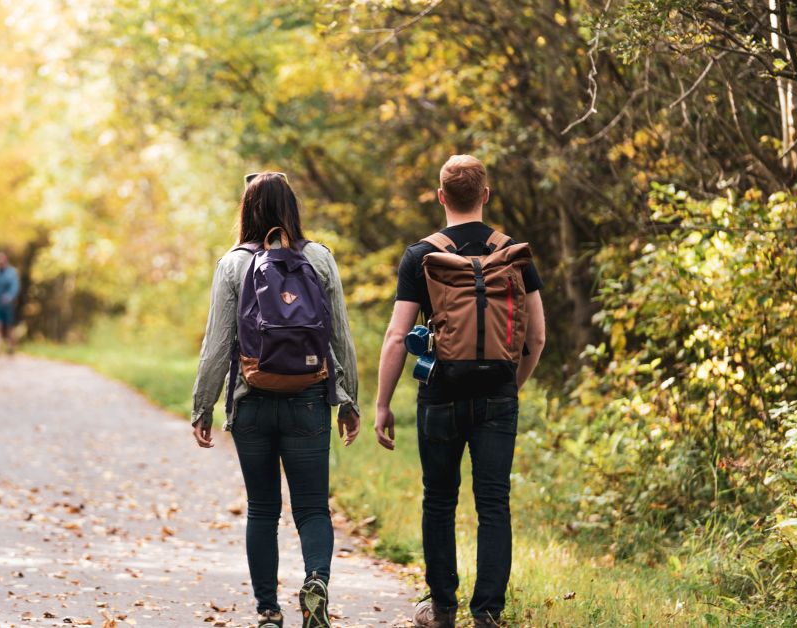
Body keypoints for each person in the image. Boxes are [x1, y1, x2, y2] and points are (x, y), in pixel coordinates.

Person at [374, 156, 547, 628]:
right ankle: (488, 612)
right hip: (497, 393)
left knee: (439, 499)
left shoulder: (420, 256)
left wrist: (383, 403)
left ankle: (443, 608)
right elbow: (537, 338)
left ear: (441, 196)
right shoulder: (513, 253)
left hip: (441, 393)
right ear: (486, 195)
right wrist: (510, 385)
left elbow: (396, 336)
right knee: (493, 502)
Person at [191, 172, 361, 628]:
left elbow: (217, 344)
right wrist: (348, 401)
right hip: (309, 399)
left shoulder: (233, 264)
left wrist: (202, 406)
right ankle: (317, 581)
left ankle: (268, 611)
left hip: (251, 399)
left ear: (246, 211)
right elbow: (341, 337)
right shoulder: (320, 258)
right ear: (293, 208)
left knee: (263, 509)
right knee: (312, 507)